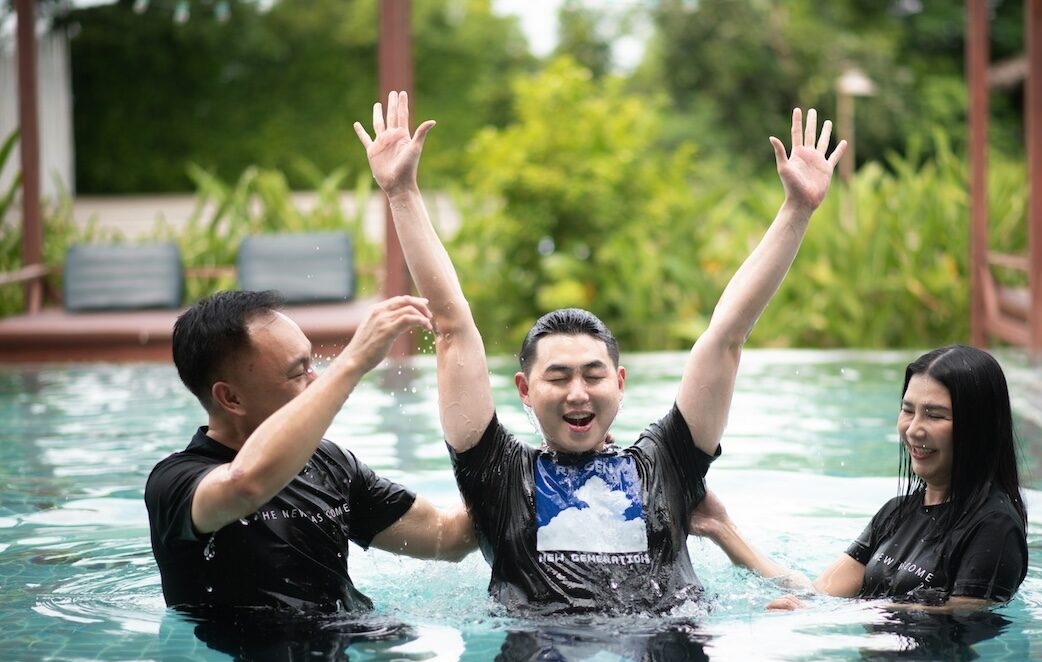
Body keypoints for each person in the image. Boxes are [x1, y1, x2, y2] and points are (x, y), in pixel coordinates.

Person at [354, 90, 846, 615]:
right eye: (558, 377)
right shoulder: (500, 476)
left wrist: (796, 211)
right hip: (536, 654)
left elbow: (726, 337)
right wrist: (402, 193)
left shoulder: (667, 465)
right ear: (524, 388)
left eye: (593, 374)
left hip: (666, 647)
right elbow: (452, 326)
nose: (577, 393)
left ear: (620, 382)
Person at [145, 289, 477, 617]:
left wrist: (523, 476)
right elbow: (244, 485)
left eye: (312, 362)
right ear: (231, 399)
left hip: (356, 642)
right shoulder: (175, 483)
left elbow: (446, 536)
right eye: (297, 371)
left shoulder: (329, 464)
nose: (316, 379)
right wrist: (354, 361)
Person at [693, 344, 1029, 613]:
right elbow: (818, 595)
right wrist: (720, 528)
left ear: (978, 430)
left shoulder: (994, 526)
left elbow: (963, 615)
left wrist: (837, 615)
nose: (913, 429)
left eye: (935, 415)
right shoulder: (896, 513)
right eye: (908, 410)